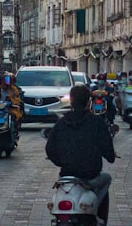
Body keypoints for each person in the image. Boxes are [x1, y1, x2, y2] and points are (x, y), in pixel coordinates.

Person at [46, 83, 117, 226]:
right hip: (90, 176)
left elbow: (50, 148)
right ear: (88, 102)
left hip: (66, 175)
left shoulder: (61, 123)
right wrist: (110, 155)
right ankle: (100, 218)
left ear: (71, 102)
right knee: (106, 178)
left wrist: (63, 161)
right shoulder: (96, 122)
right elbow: (108, 150)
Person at [0, 72, 23, 144]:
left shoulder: (14, 89)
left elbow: (17, 100)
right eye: (4, 81)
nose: (5, 84)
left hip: (10, 109)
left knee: (13, 118)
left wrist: (12, 100)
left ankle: (14, 133)